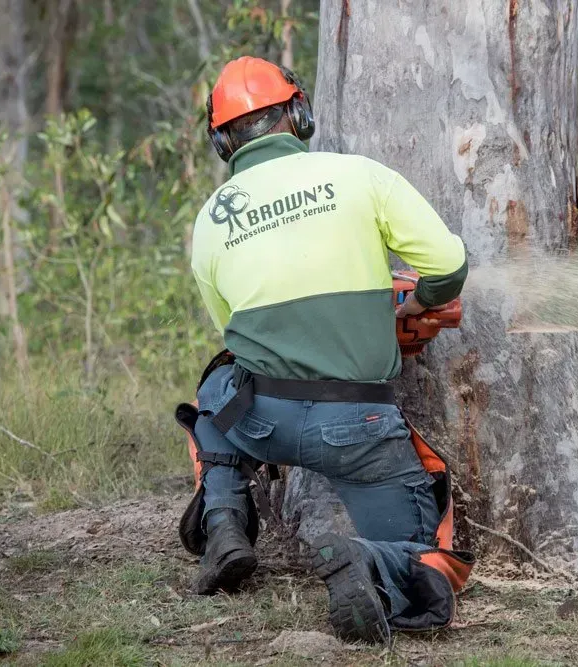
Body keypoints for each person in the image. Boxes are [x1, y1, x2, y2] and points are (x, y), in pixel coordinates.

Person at [185, 56, 470, 644]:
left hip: (264, 420)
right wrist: (412, 306)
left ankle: (225, 524)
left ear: (222, 141)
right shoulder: (360, 175)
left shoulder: (211, 219)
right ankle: (371, 563)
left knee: (217, 391)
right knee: (420, 558)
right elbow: (445, 266)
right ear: (299, 112)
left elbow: (236, 334)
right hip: (358, 425)